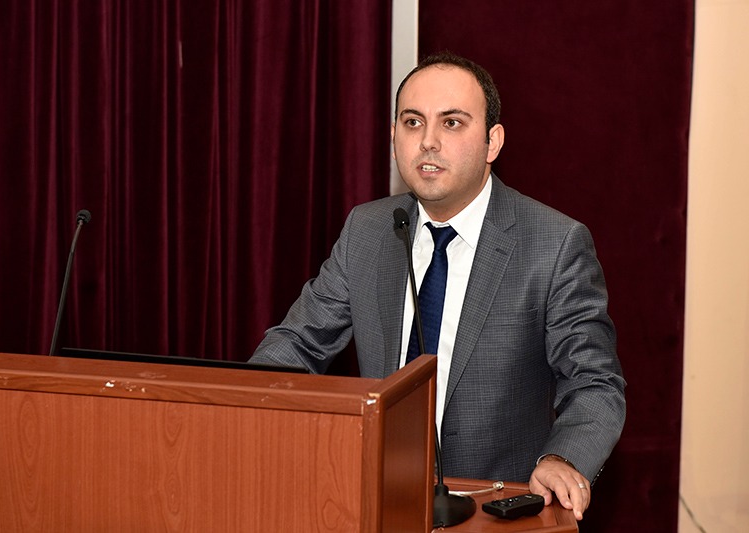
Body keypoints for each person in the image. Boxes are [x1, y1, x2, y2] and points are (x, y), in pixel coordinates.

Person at [250, 52, 626, 521]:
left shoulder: (553, 244)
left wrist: (563, 458)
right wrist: (238, 404)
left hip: (494, 513)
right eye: (413, 122)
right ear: (393, 138)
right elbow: (297, 343)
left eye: (451, 123)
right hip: (372, 502)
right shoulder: (368, 230)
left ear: (492, 142)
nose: (428, 141)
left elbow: (594, 382)